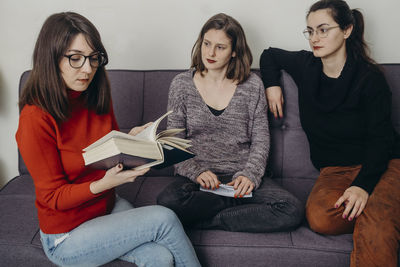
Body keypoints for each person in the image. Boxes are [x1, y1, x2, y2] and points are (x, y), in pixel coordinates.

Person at [15, 12, 200, 267]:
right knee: (164, 218)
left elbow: (103, 152)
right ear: (51, 58)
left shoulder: (95, 95)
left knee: (162, 257)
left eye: (93, 58)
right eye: (75, 58)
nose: (88, 69)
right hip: (66, 235)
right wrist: (105, 183)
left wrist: (131, 141)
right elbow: (53, 198)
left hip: (107, 208)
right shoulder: (35, 117)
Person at [260, 0, 400, 266]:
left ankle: (383, 212)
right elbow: (269, 55)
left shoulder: (369, 79)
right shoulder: (305, 66)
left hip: (384, 165)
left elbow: (381, 141)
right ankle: (387, 209)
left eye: (323, 30)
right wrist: (272, 85)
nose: (315, 38)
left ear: (347, 30)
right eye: (310, 31)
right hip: (335, 170)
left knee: (378, 227)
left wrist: (362, 186)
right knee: (320, 218)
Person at [156, 13, 303, 233]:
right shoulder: (181, 84)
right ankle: (237, 206)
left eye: (220, 47)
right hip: (199, 181)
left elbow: (261, 138)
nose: (210, 53)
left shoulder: (252, 85)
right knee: (167, 202)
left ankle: (213, 219)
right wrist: (196, 172)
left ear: (235, 51)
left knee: (291, 209)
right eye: (206, 44)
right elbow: (174, 141)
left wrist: (249, 175)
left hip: (240, 177)